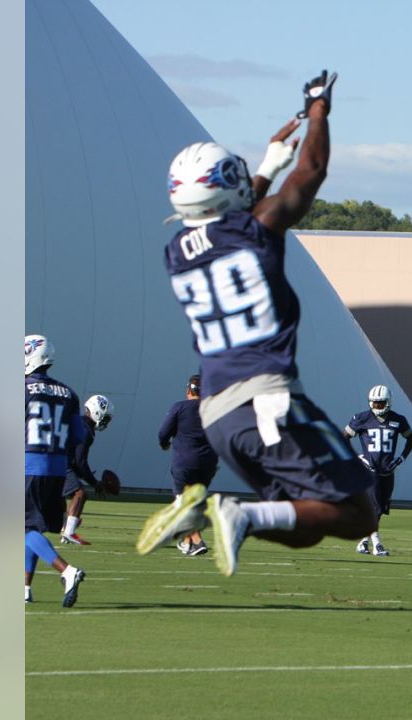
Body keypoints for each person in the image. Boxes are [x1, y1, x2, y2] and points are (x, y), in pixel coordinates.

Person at [137, 69, 379, 578]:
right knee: (359, 512)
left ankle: (218, 512)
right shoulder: (256, 230)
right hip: (268, 399)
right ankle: (226, 511)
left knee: (305, 523)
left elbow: (236, 213)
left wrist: (270, 163)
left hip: (219, 416)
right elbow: (310, 173)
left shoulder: (176, 252)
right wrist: (318, 111)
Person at [24, 334, 87, 606]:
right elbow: (78, 435)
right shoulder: (69, 393)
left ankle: (67, 570)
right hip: (57, 468)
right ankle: (24, 588)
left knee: (21, 527)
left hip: (28, 463)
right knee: (31, 527)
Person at [344, 384, 412, 556]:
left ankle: (363, 541)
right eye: (374, 403)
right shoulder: (362, 418)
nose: (377, 406)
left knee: (380, 508)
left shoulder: (398, 420)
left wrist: (400, 459)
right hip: (369, 470)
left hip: (388, 470)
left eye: (380, 403)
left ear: (388, 403)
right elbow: (344, 438)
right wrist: (357, 458)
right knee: (374, 507)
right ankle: (377, 544)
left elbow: (411, 439)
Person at [157, 374, 219, 556]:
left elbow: (163, 433)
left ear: (189, 390)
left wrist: (165, 444)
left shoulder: (180, 407)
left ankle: (196, 541)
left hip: (185, 462)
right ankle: (189, 541)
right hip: (208, 463)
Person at [58, 394, 114, 545]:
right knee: (80, 493)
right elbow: (80, 461)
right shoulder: (86, 430)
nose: (106, 421)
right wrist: (95, 483)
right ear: (98, 411)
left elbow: (76, 461)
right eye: (106, 417)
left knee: (59, 496)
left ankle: (65, 525)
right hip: (60, 463)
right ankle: (69, 531)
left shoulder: (77, 421)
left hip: (50, 460)